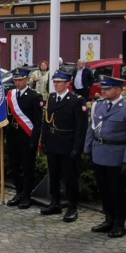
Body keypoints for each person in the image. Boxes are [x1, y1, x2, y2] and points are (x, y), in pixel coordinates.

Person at [40, 71, 87, 221]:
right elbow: (46, 123)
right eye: (55, 82)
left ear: (67, 83)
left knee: (70, 177)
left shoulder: (76, 100)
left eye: (60, 82)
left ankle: (72, 207)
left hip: (68, 143)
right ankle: (55, 203)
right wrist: (44, 141)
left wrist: (77, 148)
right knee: (53, 174)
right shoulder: (52, 98)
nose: (56, 84)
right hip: (54, 141)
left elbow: (81, 127)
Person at [84, 76, 126, 238]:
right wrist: (87, 151)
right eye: (103, 88)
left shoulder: (124, 107)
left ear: (118, 90)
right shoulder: (98, 105)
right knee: (104, 190)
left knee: (117, 192)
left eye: (107, 88)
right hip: (99, 154)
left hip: (116, 155)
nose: (103, 91)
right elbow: (91, 130)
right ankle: (108, 219)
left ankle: (119, 223)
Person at [5, 67, 43, 209]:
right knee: (15, 166)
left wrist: (34, 140)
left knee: (27, 168)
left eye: (20, 80)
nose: (17, 82)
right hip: (13, 136)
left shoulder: (34, 96)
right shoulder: (11, 95)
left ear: (27, 80)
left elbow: (38, 122)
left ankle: (27, 194)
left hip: (27, 137)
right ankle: (19, 192)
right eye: (15, 80)